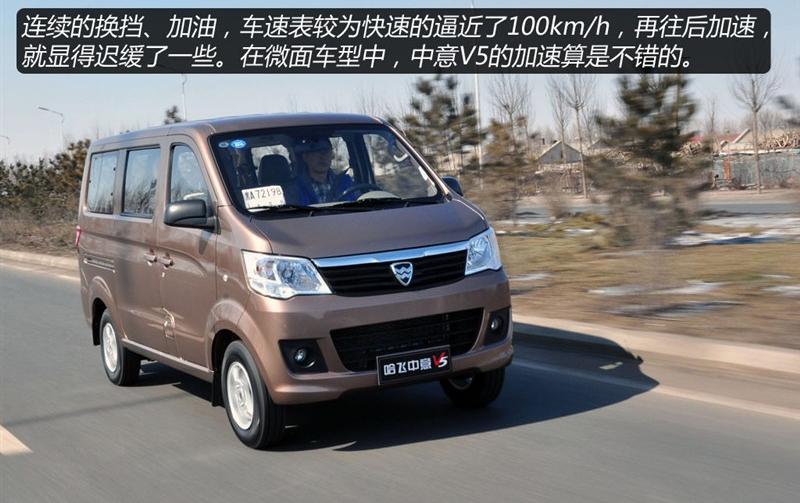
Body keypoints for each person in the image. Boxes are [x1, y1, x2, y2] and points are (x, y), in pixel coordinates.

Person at [294, 137, 354, 204]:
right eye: (316, 151)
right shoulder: (294, 188)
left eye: (326, 151)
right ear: (305, 157)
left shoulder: (345, 182)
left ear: (331, 155)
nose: (323, 157)